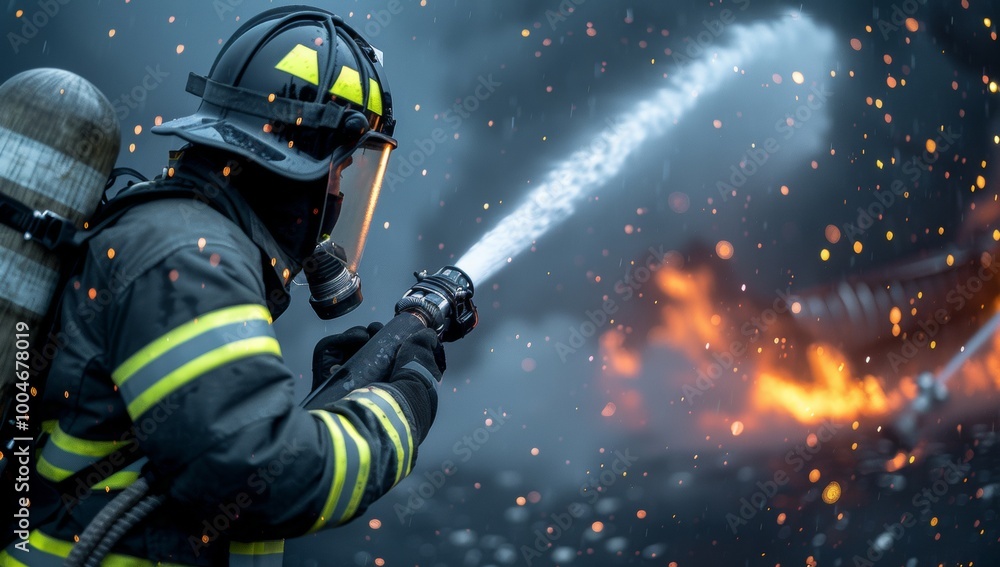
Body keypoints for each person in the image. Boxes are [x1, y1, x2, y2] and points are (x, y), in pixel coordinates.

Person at [1, 6, 446, 566]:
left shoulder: (182, 235)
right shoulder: (190, 255)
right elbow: (258, 483)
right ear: (304, 154)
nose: (339, 192)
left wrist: (327, 402)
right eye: (343, 166)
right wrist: (404, 401)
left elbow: (194, 449)